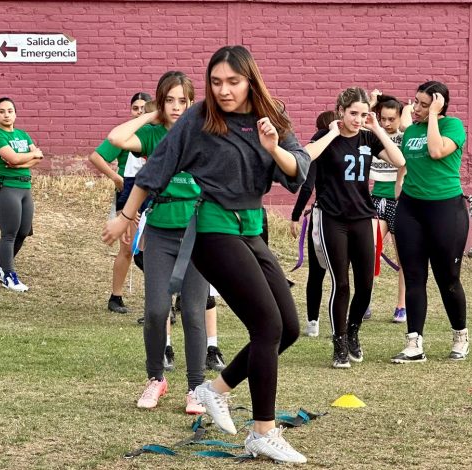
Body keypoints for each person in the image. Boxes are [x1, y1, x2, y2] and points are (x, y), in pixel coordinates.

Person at [102, 45, 310, 464]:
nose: (224, 90)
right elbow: (157, 166)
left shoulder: (269, 115)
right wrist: (125, 215)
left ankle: (213, 391)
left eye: (232, 82)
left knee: (287, 328)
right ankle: (262, 433)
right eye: (216, 82)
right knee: (266, 325)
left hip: (251, 228)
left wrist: (273, 148)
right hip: (212, 228)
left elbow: (300, 168)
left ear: (250, 79)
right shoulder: (199, 118)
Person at [106, 71, 210, 415]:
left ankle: (196, 387)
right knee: (155, 311)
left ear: (192, 102)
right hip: (161, 232)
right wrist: (151, 114)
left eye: (183, 101)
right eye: (170, 100)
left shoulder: (204, 133)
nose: (177, 107)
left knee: (194, 312)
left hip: (199, 231)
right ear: (161, 102)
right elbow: (116, 138)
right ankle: (156, 378)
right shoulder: (152, 134)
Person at [305, 87, 405, 368]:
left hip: (363, 216)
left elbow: (400, 160)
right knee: (341, 282)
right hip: (332, 216)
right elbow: (306, 157)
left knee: (366, 284)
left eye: (363, 114)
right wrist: (332, 134)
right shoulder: (327, 136)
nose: (358, 119)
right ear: (340, 111)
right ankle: (338, 343)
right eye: (353, 114)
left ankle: (352, 331)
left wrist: (377, 128)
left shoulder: (368, 137)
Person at [391, 81, 470, 364]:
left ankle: (460, 335)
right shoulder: (411, 130)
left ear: (439, 104)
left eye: (424, 104)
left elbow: (436, 151)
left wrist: (434, 116)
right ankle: (414, 343)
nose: (416, 109)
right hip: (411, 209)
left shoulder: (453, 127)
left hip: (446, 210)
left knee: (447, 278)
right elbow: (405, 163)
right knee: (414, 277)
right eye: (415, 102)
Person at [88, 91, 151, 313]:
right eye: (136, 108)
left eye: (145, 108)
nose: (140, 112)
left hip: (155, 194)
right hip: (130, 193)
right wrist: (116, 178)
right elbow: (96, 156)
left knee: (156, 249)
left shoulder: (157, 133)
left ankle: (175, 296)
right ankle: (116, 297)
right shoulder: (126, 135)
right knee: (128, 248)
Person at [0, 97, 43, 292]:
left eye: (10, 111)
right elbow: (15, 157)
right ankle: (9, 276)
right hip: (8, 189)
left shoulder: (22, 134)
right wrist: (29, 156)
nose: (6, 114)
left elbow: (38, 157)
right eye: (2, 111)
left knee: (23, 232)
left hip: (25, 188)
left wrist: (21, 162)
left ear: (15, 114)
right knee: (9, 234)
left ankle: (1, 268)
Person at [289, 110, 335, 337]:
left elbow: (307, 186)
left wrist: (295, 215)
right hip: (344, 214)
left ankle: (313, 321)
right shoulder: (346, 143)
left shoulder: (317, 144)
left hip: (322, 214)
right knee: (341, 273)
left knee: (316, 273)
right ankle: (340, 319)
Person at [370, 92, 412, 323]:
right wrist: (372, 103)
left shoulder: (406, 135)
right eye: (382, 118)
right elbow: (360, 120)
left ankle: (401, 306)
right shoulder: (373, 134)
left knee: (403, 256)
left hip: (400, 201)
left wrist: (405, 114)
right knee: (368, 251)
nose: (386, 124)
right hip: (375, 199)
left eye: (391, 119)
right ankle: (365, 301)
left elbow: (408, 126)